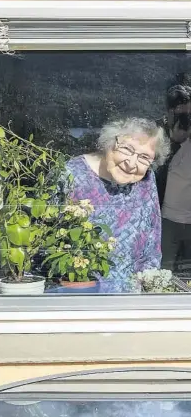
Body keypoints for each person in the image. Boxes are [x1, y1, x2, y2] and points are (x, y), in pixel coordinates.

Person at [64, 118, 170, 292]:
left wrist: (149, 292)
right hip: (80, 295)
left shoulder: (146, 179)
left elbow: (152, 244)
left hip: (131, 300)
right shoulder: (71, 175)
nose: (132, 163)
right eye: (127, 149)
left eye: (144, 157)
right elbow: (46, 242)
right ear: (109, 143)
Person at [157, 84, 191, 273]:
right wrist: (173, 141)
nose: (186, 120)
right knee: (163, 269)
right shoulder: (156, 134)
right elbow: (152, 172)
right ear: (170, 111)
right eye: (182, 115)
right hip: (164, 217)